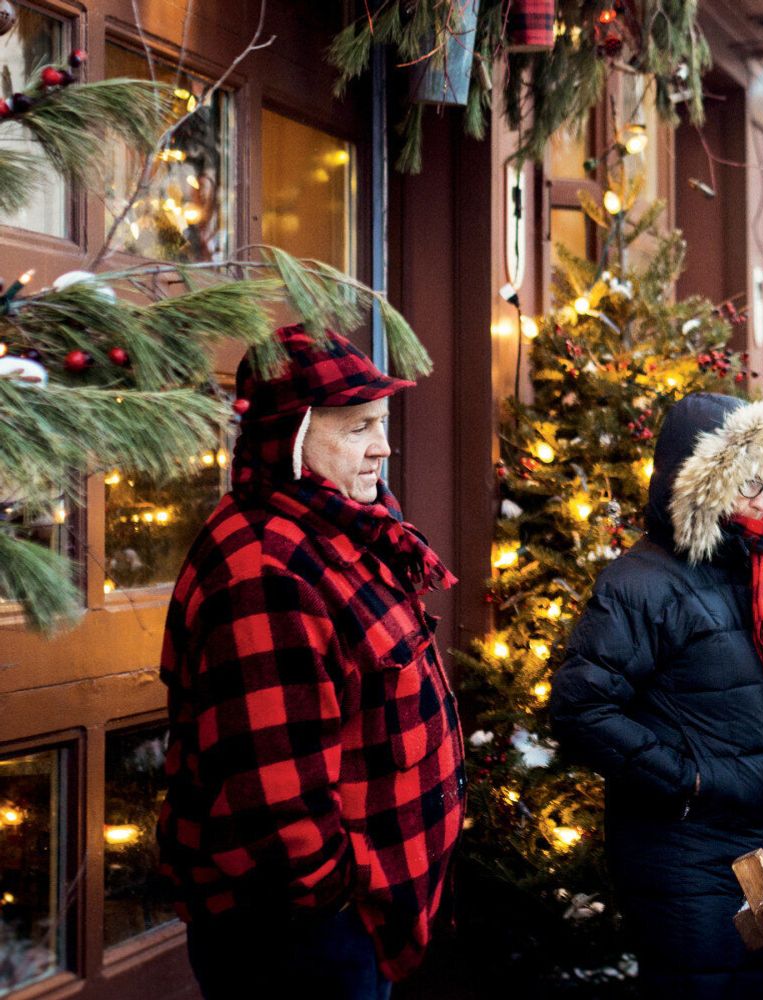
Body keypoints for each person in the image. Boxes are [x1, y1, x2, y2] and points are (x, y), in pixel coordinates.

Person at [158, 325, 463, 1000]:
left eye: (381, 423)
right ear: (291, 437)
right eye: (358, 428)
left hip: (359, 919)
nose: (383, 445)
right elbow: (278, 800)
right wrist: (342, 907)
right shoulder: (266, 567)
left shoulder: (343, 527)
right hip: (307, 939)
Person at [549, 393, 763, 999]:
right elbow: (580, 708)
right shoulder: (641, 583)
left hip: (762, 846)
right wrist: (688, 781)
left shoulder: (754, 571)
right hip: (684, 856)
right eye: (746, 483)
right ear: (698, 481)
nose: (760, 501)